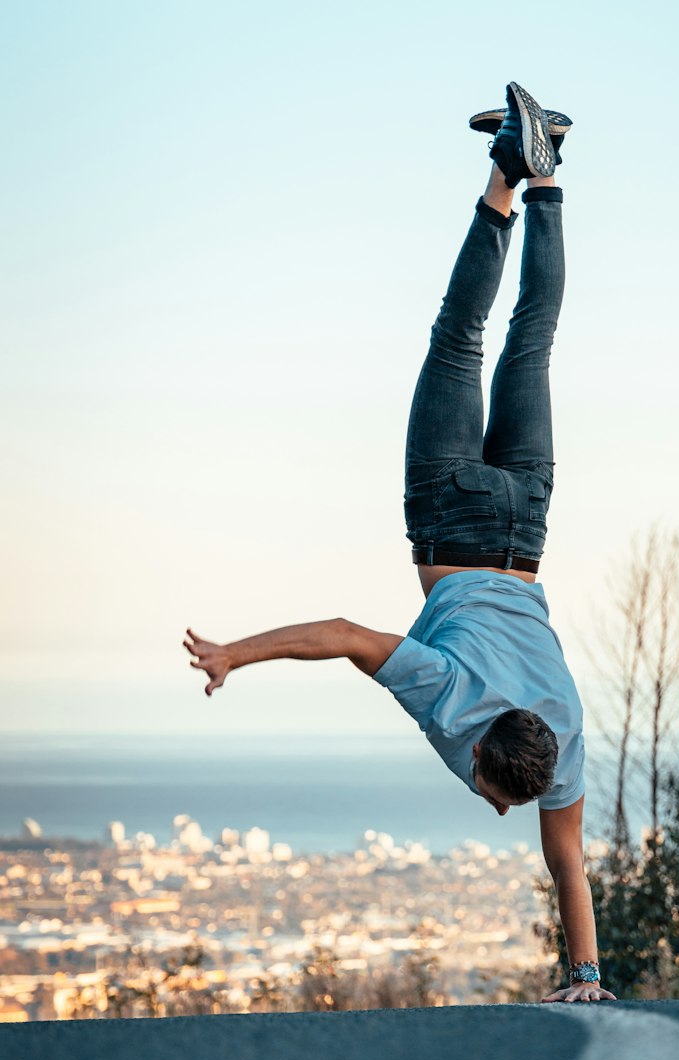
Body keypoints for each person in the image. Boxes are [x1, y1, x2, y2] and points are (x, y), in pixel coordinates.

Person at [184, 82, 616, 1004]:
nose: (499, 807)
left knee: (530, 345)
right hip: (452, 517)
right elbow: (340, 632)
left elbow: (571, 864)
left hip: (526, 523)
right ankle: (514, 169)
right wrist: (235, 654)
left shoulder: (565, 735)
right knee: (460, 340)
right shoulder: (448, 701)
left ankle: (531, 168)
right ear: (485, 765)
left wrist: (589, 977)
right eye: (497, 797)